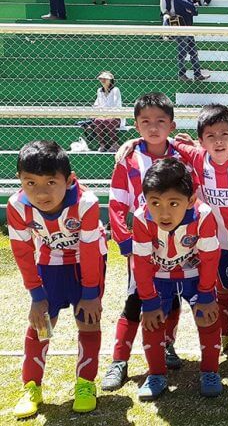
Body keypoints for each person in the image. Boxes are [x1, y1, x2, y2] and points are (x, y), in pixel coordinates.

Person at [9, 141, 106, 419]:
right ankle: (32, 387)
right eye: (30, 182)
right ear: (20, 181)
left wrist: (90, 293)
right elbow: (23, 251)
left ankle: (85, 384)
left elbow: (89, 250)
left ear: (70, 180)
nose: (41, 192)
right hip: (49, 261)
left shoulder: (86, 202)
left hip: (85, 263)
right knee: (41, 323)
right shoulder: (17, 205)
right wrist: (36, 296)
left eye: (51, 182)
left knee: (88, 321)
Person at [101, 93, 187, 391]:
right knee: (136, 298)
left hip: (175, 245)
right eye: (146, 122)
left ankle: (166, 344)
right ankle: (119, 360)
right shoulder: (128, 159)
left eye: (160, 121)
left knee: (173, 296)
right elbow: (116, 204)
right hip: (141, 245)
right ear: (136, 125)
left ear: (171, 125)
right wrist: (126, 244)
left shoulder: (183, 156)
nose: (153, 127)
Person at [171, 106, 228, 357]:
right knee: (222, 292)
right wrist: (133, 142)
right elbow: (163, 137)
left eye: (225, 134)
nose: (218, 141)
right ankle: (222, 334)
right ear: (201, 141)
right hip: (218, 244)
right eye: (211, 136)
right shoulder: (197, 157)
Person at [132, 158, 222, 400]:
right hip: (159, 274)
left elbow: (210, 257)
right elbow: (140, 262)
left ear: (190, 200)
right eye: (155, 203)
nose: (164, 212)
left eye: (174, 203)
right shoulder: (141, 217)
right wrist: (149, 302)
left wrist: (206, 294)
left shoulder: (203, 215)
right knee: (151, 321)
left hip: (194, 273)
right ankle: (157, 374)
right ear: (145, 200)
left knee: (207, 316)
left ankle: (210, 371)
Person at [175, 0, 210, 81]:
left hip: (188, 29)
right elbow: (190, 6)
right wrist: (192, 9)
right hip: (182, 29)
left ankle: (197, 73)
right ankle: (181, 74)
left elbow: (194, 10)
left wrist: (192, 9)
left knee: (193, 52)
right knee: (182, 53)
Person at [89, 71, 122, 152]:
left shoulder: (115, 90)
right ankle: (102, 144)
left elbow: (116, 105)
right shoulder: (99, 91)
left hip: (115, 116)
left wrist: (106, 114)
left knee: (107, 121)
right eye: (101, 79)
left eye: (105, 79)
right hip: (102, 116)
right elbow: (97, 104)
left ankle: (114, 143)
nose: (103, 80)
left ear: (110, 80)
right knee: (97, 121)